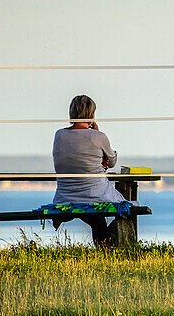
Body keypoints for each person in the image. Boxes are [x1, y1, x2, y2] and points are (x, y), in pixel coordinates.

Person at [51, 95, 125, 246]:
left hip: (65, 196)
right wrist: (97, 133)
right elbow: (111, 162)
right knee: (127, 208)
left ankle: (104, 247)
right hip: (95, 194)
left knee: (95, 219)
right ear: (91, 114)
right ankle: (111, 246)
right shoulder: (98, 137)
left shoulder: (59, 135)